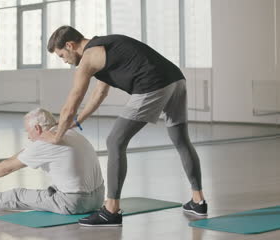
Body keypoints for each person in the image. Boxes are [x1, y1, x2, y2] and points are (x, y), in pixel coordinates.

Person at [41, 26, 207, 226]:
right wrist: (79, 120)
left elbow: (72, 102)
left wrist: (57, 136)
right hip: (175, 79)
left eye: (62, 55)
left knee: (115, 141)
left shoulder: (88, 58)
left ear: (70, 45)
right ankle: (198, 201)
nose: (65, 61)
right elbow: (99, 93)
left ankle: (111, 210)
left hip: (152, 84)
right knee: (181, 140)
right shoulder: (103, 47)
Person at [0, 108, 104, 215]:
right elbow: (24, 153)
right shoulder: (69, 133)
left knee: (16, 196)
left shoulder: (45, 144)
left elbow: (7, 168)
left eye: (28, 132)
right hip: (98, 199)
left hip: (75, 203)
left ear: (37, 128)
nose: (28, 136)